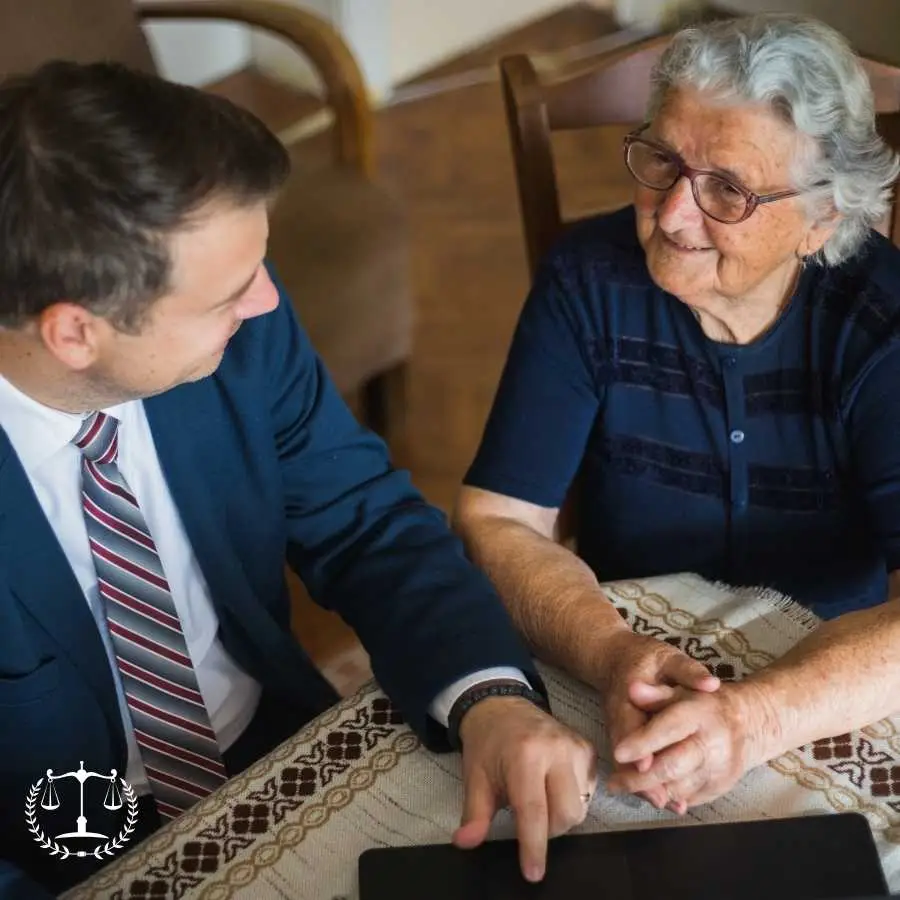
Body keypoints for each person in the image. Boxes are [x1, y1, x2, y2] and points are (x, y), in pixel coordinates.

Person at [0, 61, 598, 899]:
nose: (269, 304)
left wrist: (488, 697)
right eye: (230, 293)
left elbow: (364, 523)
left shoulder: (242, 341)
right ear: (74, 332)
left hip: (282, 752)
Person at [454, 13, 900, 817]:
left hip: (826, 692)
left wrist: (754, 716)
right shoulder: (588, 282)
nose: (668, 216)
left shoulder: (881, 325)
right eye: (662, 160)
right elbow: (498, 519)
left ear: (823, 218)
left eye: (727, 189)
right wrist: (610, 649)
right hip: (623, 675)